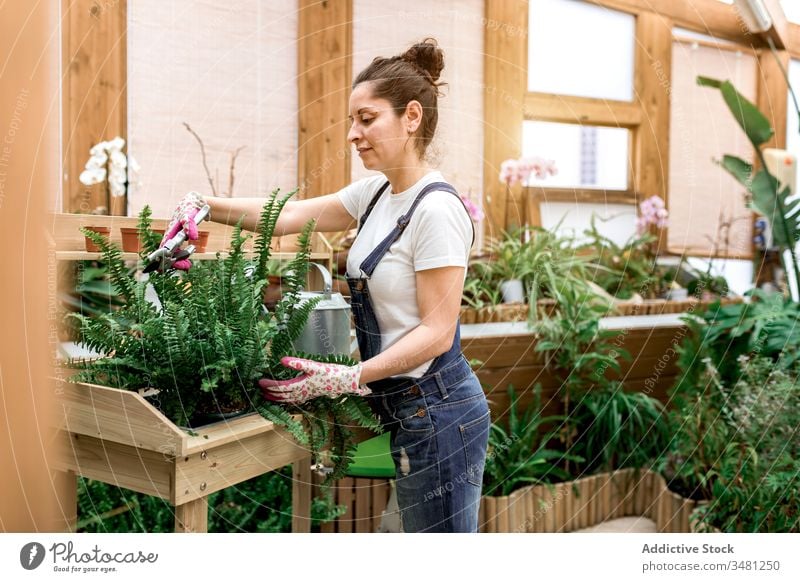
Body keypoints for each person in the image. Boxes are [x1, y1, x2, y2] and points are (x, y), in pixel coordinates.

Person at [161, 38, 489, 533]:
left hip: (441, 412)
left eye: (366, 118)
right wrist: (202, 202)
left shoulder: (437, 210)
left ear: (412, 117)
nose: (353, 134)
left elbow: (438, 333)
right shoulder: (377, 193)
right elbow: (288, 215)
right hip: (403, 406)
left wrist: (348, 377)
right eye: (351, 121)